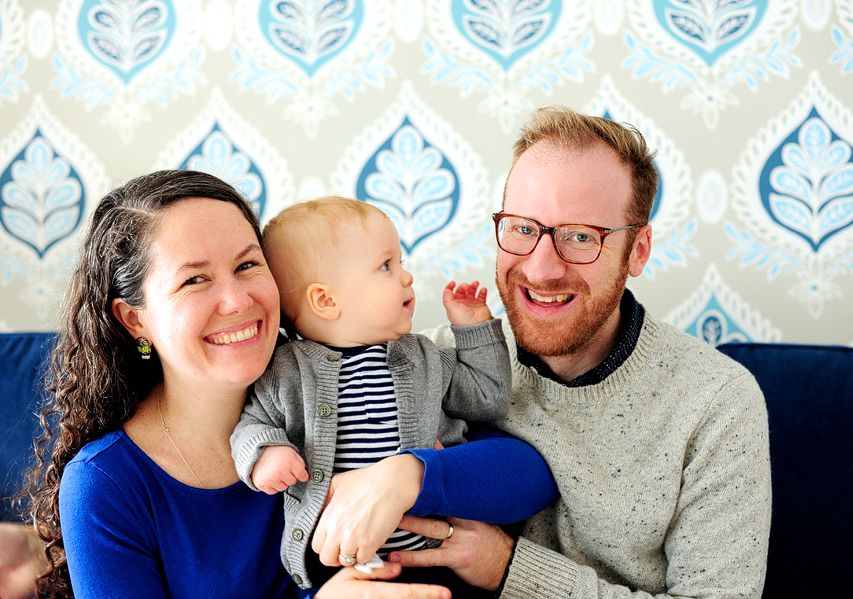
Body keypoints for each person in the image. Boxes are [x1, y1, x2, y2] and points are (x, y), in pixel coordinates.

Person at [17, 170, 556, 599]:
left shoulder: (334, 382)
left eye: (248, 265)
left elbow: (531, 472)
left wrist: (405, 476)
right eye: (195, 279)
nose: (238, 300)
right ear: (135, 320)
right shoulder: (107, 484)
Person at [314, 105, 772, 598]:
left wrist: (505, 566)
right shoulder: (429, 365)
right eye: (523, 228)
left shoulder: (716, 402)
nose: (540, 269)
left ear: (637, 250)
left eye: (580, 237)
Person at [230, 196, 512, 593]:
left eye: (399, 262)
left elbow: (489, 398)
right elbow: (251, 424)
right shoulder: (286, 371)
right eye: (386, 265)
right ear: (326, 301)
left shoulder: (425, 357)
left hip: (435, 552)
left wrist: (475, 330)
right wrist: (265, 453)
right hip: (338, 566)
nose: (406, 277)